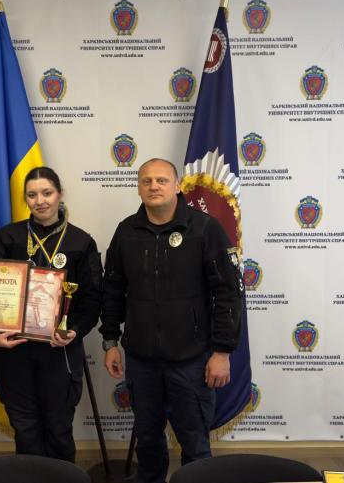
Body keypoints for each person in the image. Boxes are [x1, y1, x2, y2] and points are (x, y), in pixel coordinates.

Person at [99, 158, 242, 483]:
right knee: (148, 442)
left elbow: (228, 294)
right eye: (146, 181)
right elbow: (113, 290)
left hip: (191, 361)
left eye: (162, 180)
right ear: (139, 188)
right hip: (141, 361)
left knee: (195, 444)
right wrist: (110, 341)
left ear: (177, 186)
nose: (154, 186)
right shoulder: (126, 232)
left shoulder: (205, 229)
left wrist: (222, 352)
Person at [0, 166, 102, 462]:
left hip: (59, 351)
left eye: (47, 193)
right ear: (25, 198)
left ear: (59, 194)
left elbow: (92, 300)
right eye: (32, 195)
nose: (40, 201)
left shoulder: (80, 242)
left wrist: (73, 329)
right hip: (15, 350)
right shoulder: (8, 237)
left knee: (59, 429)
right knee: (25, 429)